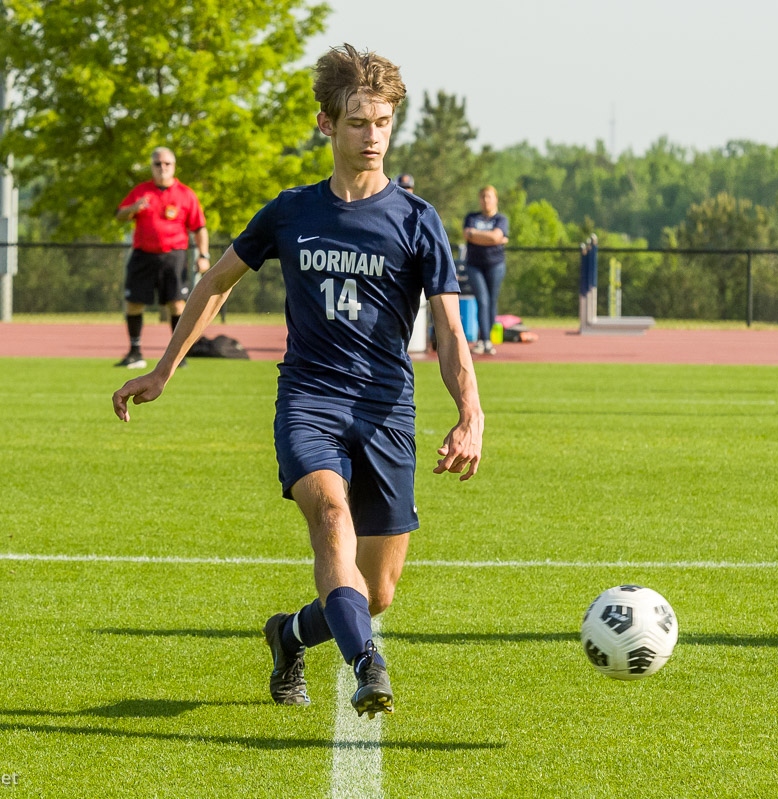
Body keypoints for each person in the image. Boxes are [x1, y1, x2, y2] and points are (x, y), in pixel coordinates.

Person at [112, 45, 483, 719]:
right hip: (309, 401)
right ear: (326, 125)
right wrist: (164, 367)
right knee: (332, 522)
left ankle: (288, 634)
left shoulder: (416, 219)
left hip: (387, 412)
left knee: (375, 593)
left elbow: (453, 332)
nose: (372, 136)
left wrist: (471, 413)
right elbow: (216, 281)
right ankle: (367, 662)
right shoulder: (291, 212)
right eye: (357, 122)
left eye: (382, 123)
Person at [114, 146, 211, 369]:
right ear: (152, 167)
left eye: (167, 164)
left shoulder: (186, 194)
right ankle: (135, 353)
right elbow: (120, 215)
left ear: (174, 166)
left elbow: (199, 228)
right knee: (133, 304)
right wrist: (133, 208)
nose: (162, 168)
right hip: (143, 255)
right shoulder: (141, 191)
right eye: (158, 164)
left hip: (173, 256)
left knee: (177, 305)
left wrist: (203, 255)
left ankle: (178, 355)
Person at [463, 185, 510, 355]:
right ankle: (482, 341)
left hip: (495, 265)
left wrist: (476, 236)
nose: (485, 200)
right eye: (482, 197)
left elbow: (496, 236)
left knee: (491, 301)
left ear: (495, 199)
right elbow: (468, 234)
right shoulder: (472, 217)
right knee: (482, 300)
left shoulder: (501, 219)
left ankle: (487, 339)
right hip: (474, 265)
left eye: (489, 197)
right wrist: (492, 239)